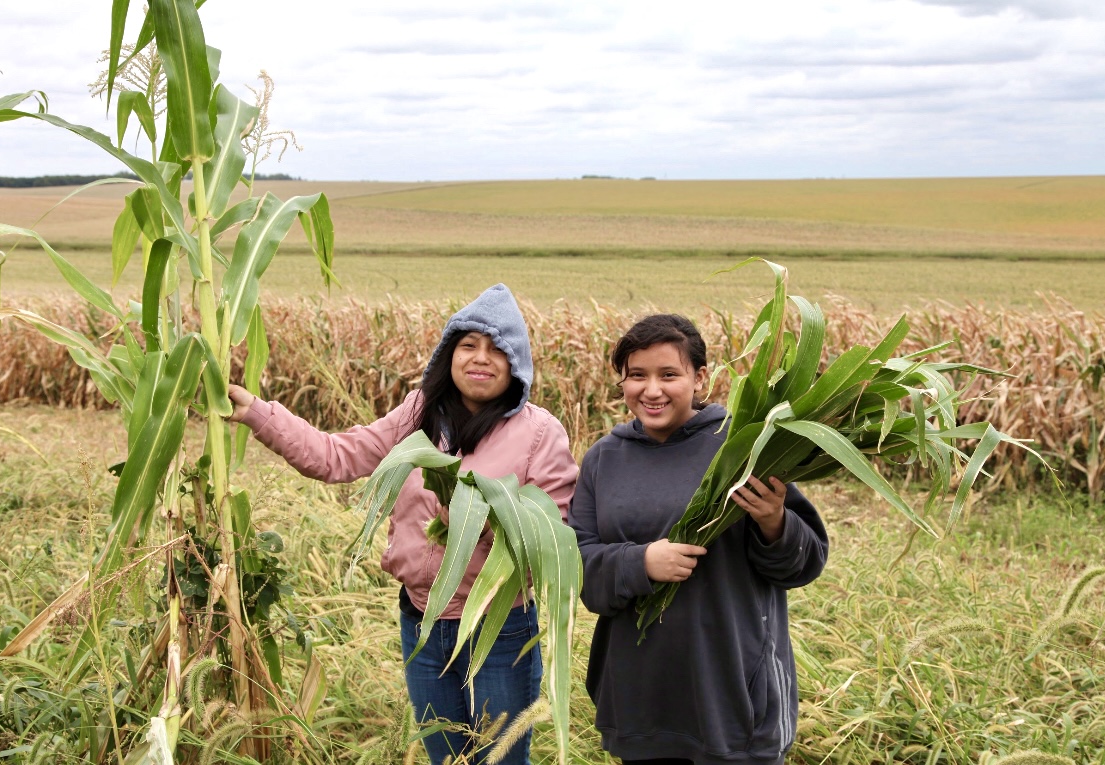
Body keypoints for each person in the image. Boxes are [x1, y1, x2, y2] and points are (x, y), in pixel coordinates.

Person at [228, 284, 578, 765]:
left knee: (499, 761)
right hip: (422, 622)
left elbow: (551, 538)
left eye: (498, 349)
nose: (482, 358)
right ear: (448, 354)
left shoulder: (540, 432)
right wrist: (256, 413)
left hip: (498, 630)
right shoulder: (418, 415)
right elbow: (336, 457)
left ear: (516, 363)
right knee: (446, 759)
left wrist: (474, 510)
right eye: (469, 345)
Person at [569, 313, 828, 765]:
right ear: (622, 382)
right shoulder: (602, 460)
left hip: (733, 700)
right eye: (637, 376)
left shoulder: (743, 447)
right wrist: (641, 563)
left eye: (669, 374)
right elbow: (579, 567)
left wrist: (773, 520)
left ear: (699, 376)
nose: (652, 390)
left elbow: (804, 563)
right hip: (641, 701)